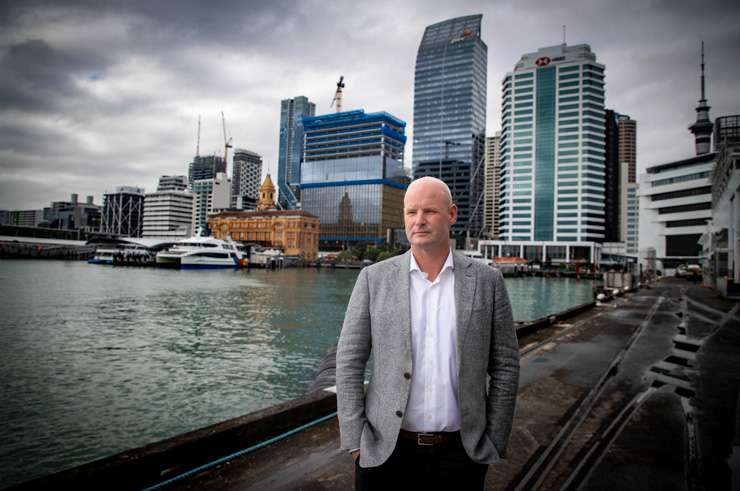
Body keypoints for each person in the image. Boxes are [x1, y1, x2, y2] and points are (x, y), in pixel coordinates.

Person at [336, 176, 520, 490]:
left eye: (429, 212)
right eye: (411, 212)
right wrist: (355, 441)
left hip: (461, 456)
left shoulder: (488, 282)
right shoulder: (373, 278)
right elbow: (349, 361)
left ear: (451, 214)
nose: (418, 221)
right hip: (384, 453)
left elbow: (505, 365)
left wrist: (494, 439)